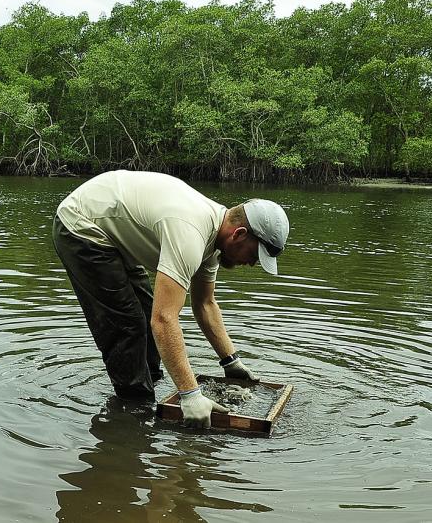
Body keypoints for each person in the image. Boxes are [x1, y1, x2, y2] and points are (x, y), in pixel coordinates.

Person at [52, 170, 289, 429]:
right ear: (239, 234)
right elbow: (163, 319)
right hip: (83, 225)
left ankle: (148, 388)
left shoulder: (212, 243)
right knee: (128, 326)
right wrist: (190, 394)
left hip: (113, 228)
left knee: (144, 313)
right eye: (255, 255)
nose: (253, 263)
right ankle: (133, 417)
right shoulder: (190, 234)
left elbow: (205, 304)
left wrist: (231, 361)